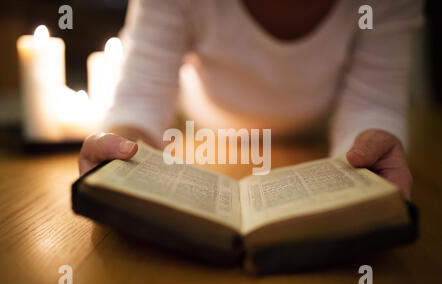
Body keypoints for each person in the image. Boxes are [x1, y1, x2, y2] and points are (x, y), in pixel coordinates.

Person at [79, 0, 423, 200]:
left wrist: (370, 152)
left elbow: (372, 105)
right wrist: (118, 152)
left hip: (319, 143)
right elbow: (140, 100)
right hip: (208, 141)